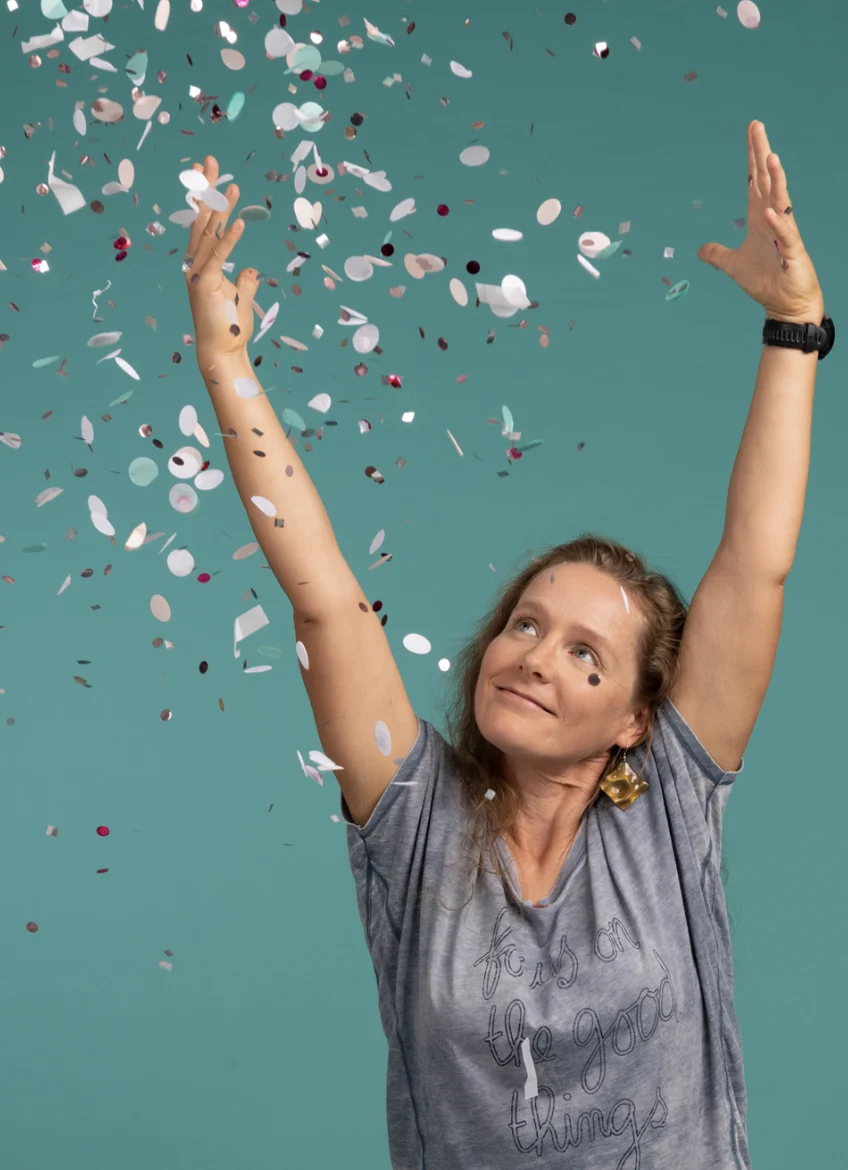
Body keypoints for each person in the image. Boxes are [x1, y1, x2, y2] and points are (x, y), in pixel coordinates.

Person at [183, 122, 827, 1168]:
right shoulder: (413, 824)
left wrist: (794, 327)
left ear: (634, 719)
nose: (535, 655)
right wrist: (224, 363)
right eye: (526, 624)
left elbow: (754, 566)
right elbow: (327, 606)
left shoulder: (667, 805)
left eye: (585, 655)